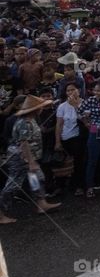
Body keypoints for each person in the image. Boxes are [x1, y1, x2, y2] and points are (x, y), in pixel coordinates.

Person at [0, 94, 61, 224]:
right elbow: (24, 143)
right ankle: (1, 212)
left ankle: (41, 202)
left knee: (37, 178)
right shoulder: (24, 122)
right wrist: (31, 161)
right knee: (12, 186)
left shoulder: (32, 120)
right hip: (21, 158)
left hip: (28, 157)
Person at [54, 81, 86, 197]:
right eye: (68, 90)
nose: (70, 92)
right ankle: (60, 187)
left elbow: (86, 120)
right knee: (63, 162)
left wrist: (76, 106)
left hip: (79, 138)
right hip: (65, 137)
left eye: (73, 89)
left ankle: (79, 186)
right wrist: (57, 141)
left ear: (79, 90)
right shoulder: (62, 106)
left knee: (79, 163)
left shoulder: (85, 103)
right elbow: (59, 124)